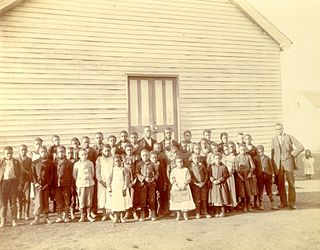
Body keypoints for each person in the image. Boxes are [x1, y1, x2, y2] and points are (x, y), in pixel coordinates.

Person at [271, 123, 304, 210]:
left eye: (280, 129)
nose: (278, 131)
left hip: (288, 162)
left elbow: (301, 147)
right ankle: (283, 203)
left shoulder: (289, 137)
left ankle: (291, 203)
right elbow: (273, 153)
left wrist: (292, 154)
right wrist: (273, 166)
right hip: (278, 164)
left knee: (291, 183)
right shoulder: (274, 139)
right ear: (275, 130)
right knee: (280, 184)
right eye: (277, 129)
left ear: (283, 129)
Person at [30, 146, 54, 225]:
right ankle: (37, 218)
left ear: (47, 152)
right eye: (41, 152)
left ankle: (46, 218)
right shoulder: (35, 162)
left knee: (46, 201)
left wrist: (47, 184)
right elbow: (32, 174)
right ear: (39, 153)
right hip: (38, 186)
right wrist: (36, 183)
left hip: (46, 185)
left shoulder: (50, 163)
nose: (43, 153)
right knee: (38, 201)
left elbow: (52, 175)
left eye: (44, 151)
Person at [0, 146, 23, 227]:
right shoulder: (1, 162)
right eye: (7, 153)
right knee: (3, 203)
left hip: (13, 183)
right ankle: (3, 220)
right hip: (3, 184)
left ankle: (14, 220)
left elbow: (20, 174)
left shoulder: (16, 162)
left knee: (13, 203)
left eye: (11, 153)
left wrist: (20, 184)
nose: (9, 155)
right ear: (4, 153)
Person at [169, 156, 195, 221]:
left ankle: (185, 214)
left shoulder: (185, 169)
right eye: (178, 162)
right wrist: (176, 185)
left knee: (185, 201)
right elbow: (172, 178)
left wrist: (185, 184)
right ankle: (178, 214)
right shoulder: (174, 170)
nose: (180, 163)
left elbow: (188, 178)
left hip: (184, 186)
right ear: (176, 163)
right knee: (177, 201)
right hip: (176, 187)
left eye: (181, 162)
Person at [107, 154, 131, 223]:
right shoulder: (112, 170)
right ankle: (116, 217)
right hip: (114, 188)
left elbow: (127, 179)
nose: (118, 163)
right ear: (114, 162)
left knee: (122, 203)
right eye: (116, 161)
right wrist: (109, 189)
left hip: (122, 187)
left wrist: (125, 188)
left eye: (119, 161)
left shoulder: (124, 169)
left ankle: (121, 217)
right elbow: (109, 179)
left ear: (122, 161)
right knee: (115, 203)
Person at [73, 149, 95, 222]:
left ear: (87, 155)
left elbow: (92, 173)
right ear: (79, 156)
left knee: (89, 200)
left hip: (89, 183)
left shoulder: (90, 163)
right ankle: (82, 215)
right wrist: (79, 181)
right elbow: (74, 175)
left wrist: (88, 178)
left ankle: (88, 215)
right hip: (81, 184)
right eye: (82, 155)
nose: (84, 156)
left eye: (85, 154)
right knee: (81, 200)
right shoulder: (76, 164)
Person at [136, 149, 158, 221]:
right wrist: (143, 178)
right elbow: (137, 173)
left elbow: (157, 173)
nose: (145, 157)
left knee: (152, 198)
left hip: (151, 183)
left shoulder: (152, 164)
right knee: (143, 198)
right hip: (143, 184)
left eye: (146, 155)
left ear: (149, 156)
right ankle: (142, 214)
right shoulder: (139, 164)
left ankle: (152, 213)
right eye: (143, 155)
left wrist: (153, 178)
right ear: (141, 156)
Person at [53, 146, 73, 223]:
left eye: (62, 152)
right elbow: (52, 174)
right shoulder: (54, 163)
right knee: (58, 200)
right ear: (57, 153)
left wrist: (71, 185)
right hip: (57, 185)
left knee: (67, 200)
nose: (61, 153)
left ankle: (67, 215)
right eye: (59, 152)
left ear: (65, 153)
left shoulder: (69, 163)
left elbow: (72, 175)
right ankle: (59, 216)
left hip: (66, 184)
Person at [256, 145, 279, 210]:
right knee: (260, 190)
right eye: (259, 152)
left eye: (261, 152)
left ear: (263, 151)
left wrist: (273, 176)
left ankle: (272, 204)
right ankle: (261, 204)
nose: (260, 153)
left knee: (269, 190)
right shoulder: (256, 159)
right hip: (260, 177)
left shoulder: (267, 158)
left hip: (267, 176)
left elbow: (271, 167)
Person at [208, 152, 230, 217]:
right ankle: (216, 212)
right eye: (216, 158)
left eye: (219, 159)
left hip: (221, 185)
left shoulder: (223, 166)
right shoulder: (211, 166)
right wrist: (213, 180)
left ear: (221, 159)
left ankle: (222, 211)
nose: (217, 160)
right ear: (214, 159)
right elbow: (209, 175)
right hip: (214, 185)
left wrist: (220, 180)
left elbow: (226, 175)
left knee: (222, 198)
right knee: (215, 199)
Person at [234, 143, 255, 212]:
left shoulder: (248, 156)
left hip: (247, 175)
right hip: (240, 176)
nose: (242, 151)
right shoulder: (237, 157)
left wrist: (250, 173)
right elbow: (236, 169)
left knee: (248, 190)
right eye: (241, 149)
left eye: (244, 149)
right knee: (242, 191)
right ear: (239, 150)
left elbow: (252, 166)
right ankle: (244, 205)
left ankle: (249, 205)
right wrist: (239, 176)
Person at [189, 153, 210, 219]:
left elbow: (206, 174)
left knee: (204, 198)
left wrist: (204, 182)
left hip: (203, 184)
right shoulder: (190, 167)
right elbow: (190, 177)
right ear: (192, 159)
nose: (196, 160)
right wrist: (195, 183)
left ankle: (205, 211)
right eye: (195, 158)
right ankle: (197, 212)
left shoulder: (202, 165)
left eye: (198, 158)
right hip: (195, 186)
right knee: (197, 199)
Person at [122, 144, 139, 220]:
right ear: (125, 150)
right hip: (125, 179)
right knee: (126, 196)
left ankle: (134, 211)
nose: (129, 151)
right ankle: (127, 212)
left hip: (133, 178)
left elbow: (137, 169)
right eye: (128, 150)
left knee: (133, 196)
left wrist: (135, 179)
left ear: (133, 150)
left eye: (131, 150)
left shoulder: (135, 158)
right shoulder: (123, 158)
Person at [96, 144, 114, 221]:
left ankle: (110, 214)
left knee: (110, 196)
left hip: (111, 180)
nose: (107, 152)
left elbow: (114, 169)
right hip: (102, 181)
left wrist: (113, 180)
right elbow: (97, 171)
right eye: (105, 151)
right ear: (102, 151)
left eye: (108, 151)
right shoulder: (99, 159)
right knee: (102, 197)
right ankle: (104, 214)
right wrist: (100, 180)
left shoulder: (112, 159)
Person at [81, 136, 98, 217]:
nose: (86, 144)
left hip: (91, 173)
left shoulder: (92, 151)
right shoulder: (80, 151)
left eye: (88, 142)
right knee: (82, 195)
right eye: (85, 142)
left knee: (91, 194)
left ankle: (92, 211)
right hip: (81, 177)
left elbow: (95, 161)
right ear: (82, 143)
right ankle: (82, 212)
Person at [17, 144, 33, 220]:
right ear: (19, 151)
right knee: (19, 197)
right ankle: (19, 212)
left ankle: (26, 213)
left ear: (27, 151)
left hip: (27, 181)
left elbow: (31, 170)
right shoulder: (16, 160)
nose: (23, 151)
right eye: (22, 150)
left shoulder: (29, 160)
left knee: (27, 197)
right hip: (19, 182)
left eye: (25, 150)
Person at [222, 145, 237, 210]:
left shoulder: (233, 157)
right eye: (225, 149)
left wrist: (231, 172)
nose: (226, 151)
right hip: (224, 176)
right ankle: (226, 205)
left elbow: (234, 167)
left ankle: (232, 205)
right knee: (225, 190)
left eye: (227, 149)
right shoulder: (222, 157)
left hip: (230, 176)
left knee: (231, 190)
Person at [66, 146, 78, 220]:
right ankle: (66, 212)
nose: (70, 154)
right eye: (68, 153)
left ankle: (72, 211)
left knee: (73, 197)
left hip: (73, 182)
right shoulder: (65, 162)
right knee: (67, 197)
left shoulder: (76, 162)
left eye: (71, 153)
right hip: (66, 182)